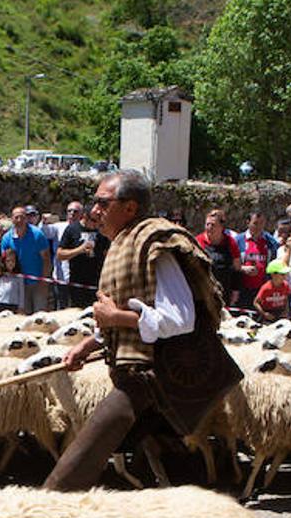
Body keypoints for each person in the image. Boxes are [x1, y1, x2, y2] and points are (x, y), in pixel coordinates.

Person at [45, 170, 241, 492]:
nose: (94, 211)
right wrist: (88, 345)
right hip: (134, 376)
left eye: (102, 203)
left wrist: (115, 318)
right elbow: (122, 312)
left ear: (130, 207)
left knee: (83, 454)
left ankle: (40, 517)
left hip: (151, 379)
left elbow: (180, 319)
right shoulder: (121, 245)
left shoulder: (155, 244)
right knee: (165, 463)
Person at [0, 205, 52, 313]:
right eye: (16, 217)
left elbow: (46, 259)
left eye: (22, 217)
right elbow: (4, 261)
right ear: (12, 219)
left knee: (39, 316)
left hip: (37, 283)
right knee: (22, 317)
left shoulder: (37, 235)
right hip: (17, 284)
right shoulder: (6, 238)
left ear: (26, 218)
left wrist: (44, 281)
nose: (19, 220)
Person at [58, 202, 107, 308]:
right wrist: (79, 250)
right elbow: (60, 254)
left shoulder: (102, 230)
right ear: (85, 216)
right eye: (93, 220)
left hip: (98, 282)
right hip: (77, 282)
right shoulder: (72, 229)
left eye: (98, 220)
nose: (96, 224)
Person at [194, 209, 239, 307]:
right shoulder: (198, 241)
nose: (209, 228)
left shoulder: (231, 242)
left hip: (225, 290)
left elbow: (237, 268)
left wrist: (235, 291)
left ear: (221, 227)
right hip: (204, 291)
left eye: (213, 225)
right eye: (207, 224)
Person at [233, 211, 277, 304]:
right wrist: (242, 268)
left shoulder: (270, 242)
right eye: (255, 223)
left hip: (262, 289)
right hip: (242, 289)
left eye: (261, 223)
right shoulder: (238, 241)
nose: (259, 227)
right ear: (248, 222)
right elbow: (229, 262)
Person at [0, 243, 24, 313]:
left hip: (14, 305)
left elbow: (21, 292)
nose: (10, 263)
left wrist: (21, 307)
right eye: (8, 261)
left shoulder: (19, 276)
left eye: (13, 261)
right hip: (1, 303)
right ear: (4, 262)